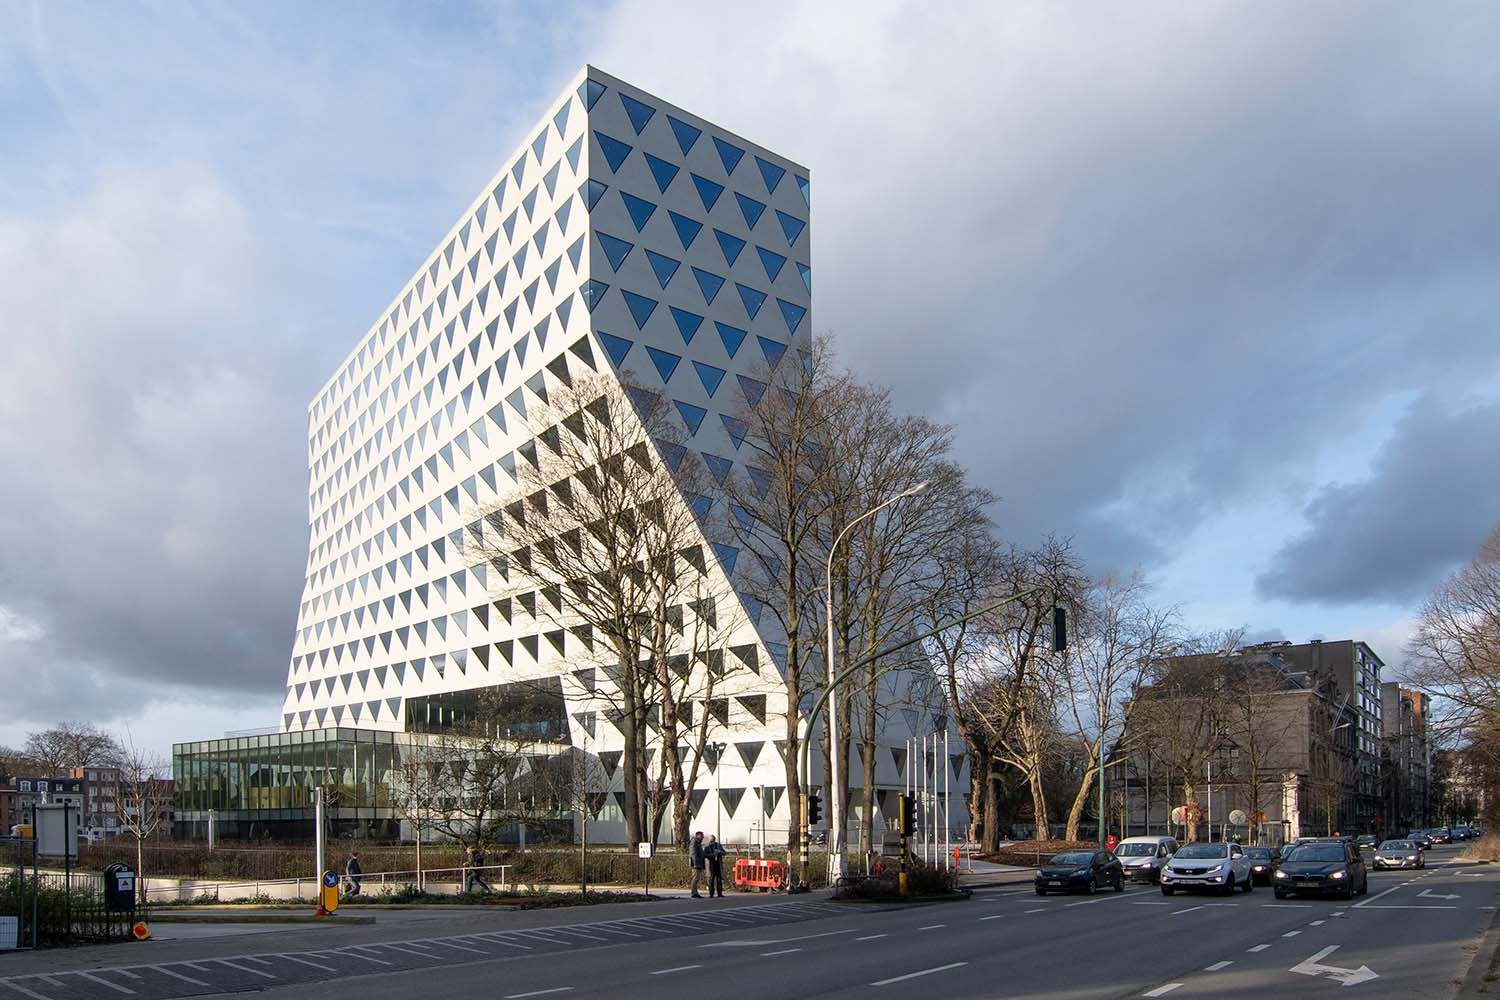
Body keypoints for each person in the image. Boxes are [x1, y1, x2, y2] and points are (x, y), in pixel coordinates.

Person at [705, 834, 727, 898]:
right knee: (711, 879)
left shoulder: (718, 845)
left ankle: (719, 893)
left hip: (718, 863)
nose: (712, 842)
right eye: (711, 840)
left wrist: (719, 851)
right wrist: (713, 855)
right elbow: (705, 854)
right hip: (711, 864)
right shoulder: (707, 846)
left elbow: (724, 853)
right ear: (709, 840)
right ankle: (711, 893)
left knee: (719, 879)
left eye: (713, 840)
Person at [689, 831, 706, 898]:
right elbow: (693, 853)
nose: (703, 837)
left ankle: (695, 892)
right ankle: (693, 893)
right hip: (695, 864)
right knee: (695, 878)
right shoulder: (694, 842)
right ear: (698, 835)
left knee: (697, 878)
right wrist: (695, 863)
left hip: (699, 863)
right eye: (702, 836)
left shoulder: (698, 842)